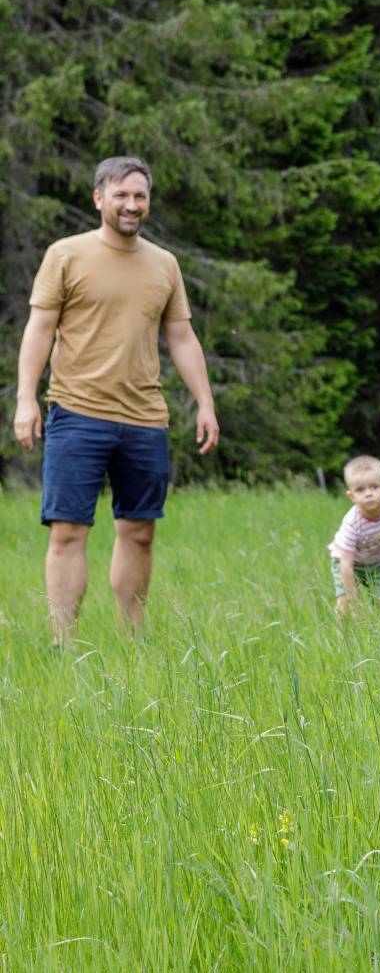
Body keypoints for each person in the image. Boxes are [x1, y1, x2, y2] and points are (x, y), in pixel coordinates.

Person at [12, 156, 219, 647]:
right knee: (67, 532)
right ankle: (65, 645)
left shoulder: (164, 264)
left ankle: (134, 641)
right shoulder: (66, 255)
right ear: (98, 197)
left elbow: (182, 337)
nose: (132, 204)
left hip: (145, 419)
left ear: (148, 202)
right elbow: (39, 329)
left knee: (140, 532)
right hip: (76, 412)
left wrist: (205, 403)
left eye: (140, 196)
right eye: (121, 195)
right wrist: (26, 398)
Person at [330, 455, 380, 616]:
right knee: (344, 603)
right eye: (360, 490)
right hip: (350, 564)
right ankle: (342, 636)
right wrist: (354, 602)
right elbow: (346, 565)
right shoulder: (352, 523)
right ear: (351, 496)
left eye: (374, 487)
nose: (368, 493)